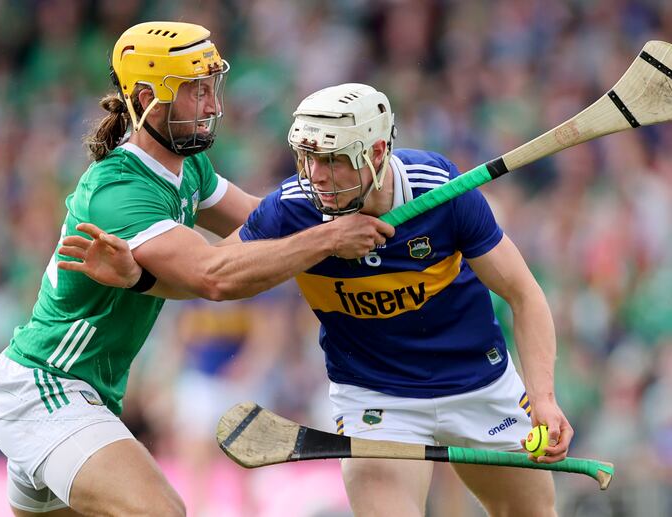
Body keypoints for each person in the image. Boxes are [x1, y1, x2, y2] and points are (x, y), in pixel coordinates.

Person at [65, 83, 572, 517]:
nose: (316, 176)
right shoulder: (292, 210)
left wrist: (545, 399)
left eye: (332, 160)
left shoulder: (444, 191)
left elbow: (524, 294)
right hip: (378, 399)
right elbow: (214, 277)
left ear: (376, 154)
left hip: (481, 386)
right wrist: (138, 279)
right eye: (307, 158)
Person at [0, 23, 393, 517]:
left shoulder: (188, 169)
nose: (213, 104)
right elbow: (214, 274)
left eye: (210, 87)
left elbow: (267, 224)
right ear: (147, 99)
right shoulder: (119, 190)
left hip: (88, 396)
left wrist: (360, 196)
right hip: (46, 386)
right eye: (195, 90)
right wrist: (330, 238)